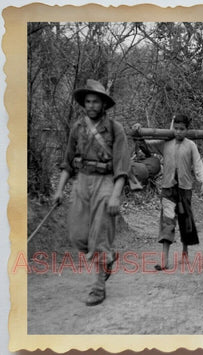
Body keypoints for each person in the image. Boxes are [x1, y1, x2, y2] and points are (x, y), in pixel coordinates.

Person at [51, 79, 130, 306]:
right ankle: (106, 259)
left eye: (96, 101)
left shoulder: (115, 129)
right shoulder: (77, 128)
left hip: (106, 183)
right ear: (83, 104)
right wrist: (59, 190)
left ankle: (98, 285)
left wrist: (115, 194)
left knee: (99, 235)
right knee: (77, 236)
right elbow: (67, 163)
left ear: (104, 104)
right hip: (81, 182)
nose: (92, 105)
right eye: (88, 101)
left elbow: (122, 167)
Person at [132, 114, 203, 271]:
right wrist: (138, 133)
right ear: (172, 128)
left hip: (185, 189)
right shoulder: (165, 142)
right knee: (167, 221)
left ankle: (185, 252)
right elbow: (146, 147)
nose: (178, 132)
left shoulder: (191, 145)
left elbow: (198, 164)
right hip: (168, 189)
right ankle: (164, 260)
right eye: (176, 128)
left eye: (182, 129)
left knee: (185, 220)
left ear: (187, 130)